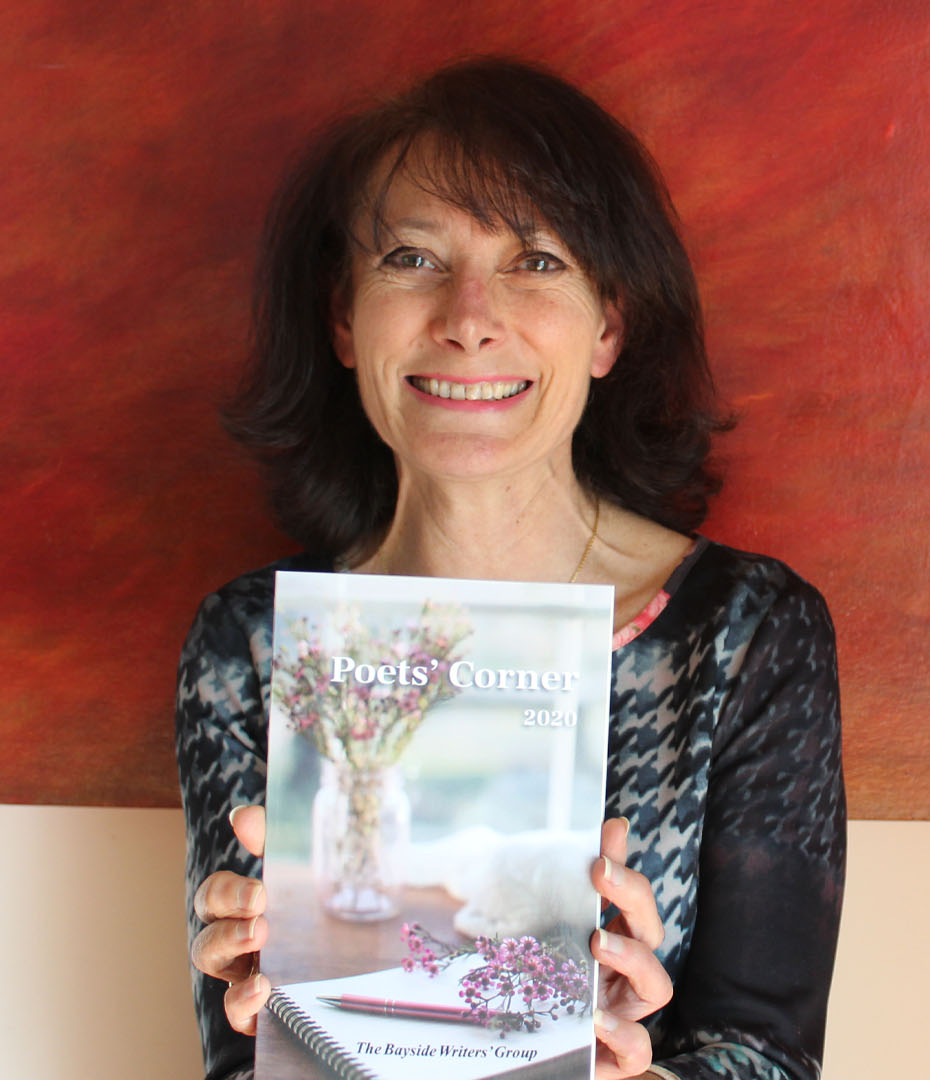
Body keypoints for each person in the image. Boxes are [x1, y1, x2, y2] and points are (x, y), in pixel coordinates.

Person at [176, 59, 845, 1080]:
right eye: (411, 257)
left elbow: (768, 1058)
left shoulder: (748, 633)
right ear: (345, 319)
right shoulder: (252, 643)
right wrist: (265, 1023)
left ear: (610, 323)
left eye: (536, 261)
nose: (470, 315)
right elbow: (238, 1063)